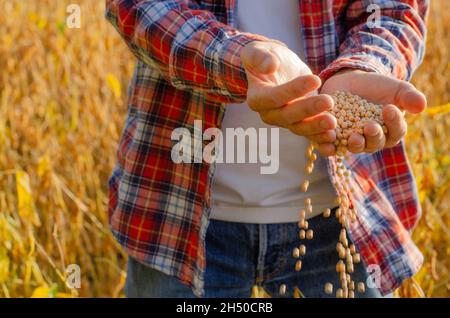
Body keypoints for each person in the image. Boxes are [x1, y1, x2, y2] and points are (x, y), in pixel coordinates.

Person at [105, 0, 428, 298]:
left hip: (340, 213)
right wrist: (238, 57)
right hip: (178, 215)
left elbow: (393, 10)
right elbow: (142, 7)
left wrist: (364, 65)